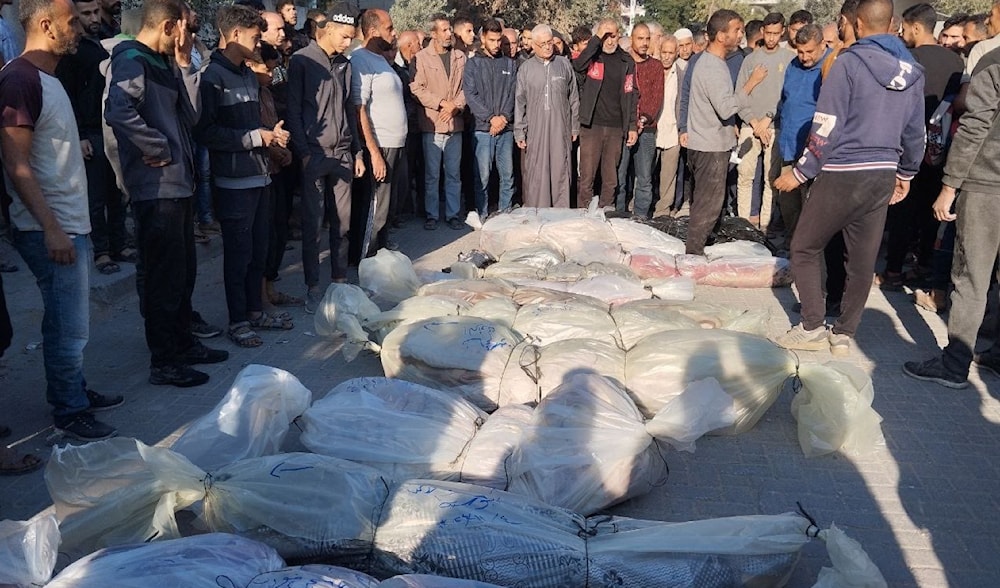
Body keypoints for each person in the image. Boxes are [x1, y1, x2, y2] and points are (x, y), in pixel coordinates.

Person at [0, 0, 123, 440]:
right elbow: (16, 163)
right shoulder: (19, 79)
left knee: (70, 324)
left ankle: (74, 391)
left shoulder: (45, 78)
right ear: (47, 24)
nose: (80, 28)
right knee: (69, 327)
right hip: (50, 227)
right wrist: (51, 227)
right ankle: (69, 411)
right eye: (72, 21)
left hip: (68, 222)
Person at [773, 0, 925, 356]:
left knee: (804, 246)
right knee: (861, 259)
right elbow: (915, 131)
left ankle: (811, 325)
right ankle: (843, 333)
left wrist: (801, 171)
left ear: (852, 22)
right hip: (882, 173)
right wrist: (907, 172)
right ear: (891, 23)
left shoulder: (848, 63)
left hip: (843, 170)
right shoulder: (913, 71)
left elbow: (826, 124)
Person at [105, 0, 228, 386]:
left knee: (183, 272)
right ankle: (164, 361)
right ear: (170, 25)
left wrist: (187, 66)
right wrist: (156, 147)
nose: (191, 37)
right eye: (189, 30)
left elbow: (191, 118)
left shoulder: (166, 62)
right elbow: (118, 110)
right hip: (155, 187)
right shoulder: (132, 59)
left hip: (179, 183)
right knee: (162, 277)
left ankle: (183, 342)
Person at [902, 44, 1000, 388]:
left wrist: (950, 185)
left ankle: (954, 365)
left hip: (987, 183)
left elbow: (975, 125)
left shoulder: (994, 61)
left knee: (971, 276)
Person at [196, 5, 293, 348]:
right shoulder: (211, 77)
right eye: (254, 37)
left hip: (261, 177)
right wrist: (257, 138)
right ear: (235, 34)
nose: (258, 43)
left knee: (258, 252)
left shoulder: (248, 75)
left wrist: (272, 137)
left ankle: (255, 312)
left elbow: (253, 127)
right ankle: (237, 321)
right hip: (234, 183)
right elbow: (206, 132)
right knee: (238, 256)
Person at [878, 4, 965, 292]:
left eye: (904, 28)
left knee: (902, 208)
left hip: (907, 146)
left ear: (916, 27)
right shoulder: (956, 62)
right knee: (931, 209)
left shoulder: (907, 58)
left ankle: (892, 271)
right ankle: (924, 265)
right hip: (942, 150)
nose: (902, 34)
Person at [286, 1, 365, 313]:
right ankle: (312, 286)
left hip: (343, 154)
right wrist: (303, 152)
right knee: (312, 224)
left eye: (352, 38)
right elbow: (292, 109)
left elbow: (349, 109)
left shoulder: (345, 64)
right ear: (329, 30)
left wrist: (356, 151)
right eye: (345, 36)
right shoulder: (302, 61)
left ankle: (340, 281)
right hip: (314, 155)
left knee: (342, 224)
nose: (349, 43)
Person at [56, 0, 133, 276]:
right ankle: (101, 252)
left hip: (113, 126)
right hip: (90, 130)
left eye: (95, 12)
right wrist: (78, 135)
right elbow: (67, 93)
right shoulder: (72, 51)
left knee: (118, 190)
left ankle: (119, 244)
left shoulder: (108, 41)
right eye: (86, 14)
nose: (93, 18)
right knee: (97, 195)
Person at [684, 10, 766, 256]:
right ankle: (693, 255)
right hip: (710, 148)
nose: (741, 35)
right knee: (708, 207)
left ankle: (697, 249)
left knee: (706, 204)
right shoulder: (711, 66)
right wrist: (751, 83)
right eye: (736, 31)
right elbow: (726, 107)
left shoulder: (711, 63)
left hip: (707, 143)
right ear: (721, 35)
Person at [351, 9, 406, 252]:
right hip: (380, 144)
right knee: (376, 209)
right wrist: (373, 152)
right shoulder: (360, 60)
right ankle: (367, 261)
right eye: (389, 28)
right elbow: (359, 108)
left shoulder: (381, 59)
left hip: (395, 143)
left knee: (387, 207)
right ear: (373, 31)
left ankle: (380, 256)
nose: (394, 34)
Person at [735, 12, 793, 232]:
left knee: (771, 179)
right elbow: (740, 95)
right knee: (745, 177)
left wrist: (768, 118)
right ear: (762, 32)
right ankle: (741, 226)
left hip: (774, 127)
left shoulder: (789, 60)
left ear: (783, 32)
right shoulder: (750, 60)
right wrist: (753, 121)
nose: (771, 38)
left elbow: (788, 96)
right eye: (768, 33)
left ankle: (765, 226)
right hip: (750, 127)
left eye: (775, 34)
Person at [573, 18, 638, 208]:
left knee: (611, 179)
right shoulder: (593, 56)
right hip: (592, 125)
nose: (610, 41)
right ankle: (584, 216)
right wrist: (596, 38)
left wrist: (632, 125)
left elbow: (631, 93)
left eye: (614, 35)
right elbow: (579, 65)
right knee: (587, 177)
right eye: (606, 36)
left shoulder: (626, 61)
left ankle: (606, 213)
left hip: (616, 127)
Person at [776, 23, 831, 246]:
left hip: (813, 150)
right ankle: (792, 245)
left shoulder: (830, 68)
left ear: (822, 45)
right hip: (788, 145)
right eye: (800, 51)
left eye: (809, 51)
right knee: (788, 202)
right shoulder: (793, 66)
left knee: (810, 204)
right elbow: (785, 100)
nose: (804, 57)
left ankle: (807, 250)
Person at [410, 14, 467, 231]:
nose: (449, 33)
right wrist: (442, 103)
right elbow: (416, 88)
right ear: (433, 33)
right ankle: (432, 214)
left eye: (450, 29)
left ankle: (453, 214)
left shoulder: (460, 57)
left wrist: (455, 106)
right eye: (444, 30)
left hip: (455, 123)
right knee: (432, 174)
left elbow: (467, 88)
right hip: (433, 124)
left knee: (453, 173)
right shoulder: (422, 58)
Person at [514, 24, 579, 208]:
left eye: (549, 42)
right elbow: (520, 102)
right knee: (537, 173)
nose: (547, 47)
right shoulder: (525, 69)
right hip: (535, 130)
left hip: (560, 128)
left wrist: (574, 126)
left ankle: (560, 216)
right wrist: (520, 131)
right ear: (533, 45)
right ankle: (537, 214)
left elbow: (573, 97)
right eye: (542, 44)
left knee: (561, 170)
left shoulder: (564, 65)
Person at [464, 18, 516, 216]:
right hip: (482, 129)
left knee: (507, 175)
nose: (496, 45)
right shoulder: (473, 64)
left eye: (498, 40)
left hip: (505, 129)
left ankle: (505, 213)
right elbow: (471, 95)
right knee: (482, 176)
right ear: (483, 38)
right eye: (492, 40)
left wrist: (503, 117)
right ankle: (482, 214)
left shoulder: (510, 64)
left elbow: (513, 93)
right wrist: (490, 118)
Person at [615, 22, 662, 218]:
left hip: (647, 129)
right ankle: (618, 215)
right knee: (620, 176)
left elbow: (655, 98)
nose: (644, 43)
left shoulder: (655, 66)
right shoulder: (623, 64)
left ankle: (641, 218)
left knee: (644, 178)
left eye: (647, 39)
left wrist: (642, 120)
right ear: (631, 39)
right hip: (624, 128)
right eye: (640, 38)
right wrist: (631, 122)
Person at [653, 34, 683, 219]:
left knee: (668, 178)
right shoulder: (652, 70)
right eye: (664, 52)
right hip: (652, 130)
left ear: (676, 53)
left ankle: (662, 214)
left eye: (670, 53)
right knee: (645, 175)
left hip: (672, 132)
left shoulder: (681, 73)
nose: (666, 56)